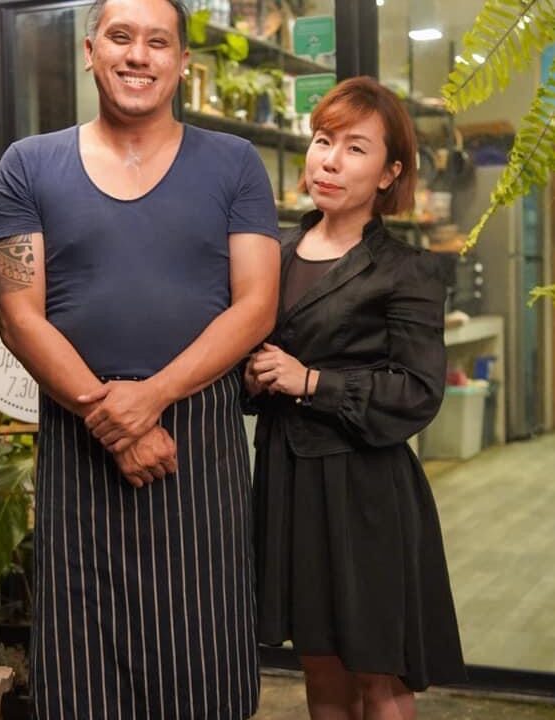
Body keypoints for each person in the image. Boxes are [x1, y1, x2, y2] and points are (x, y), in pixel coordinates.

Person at [0, 0, 281, 717]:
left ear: (182, 62)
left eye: (158, 42)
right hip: (79, 434)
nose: (138, 55)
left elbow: (255, 307)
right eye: (120, 37)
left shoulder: (234, 163)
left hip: (198, 440)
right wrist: (111, 418)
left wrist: (150, 399)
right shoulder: (29, 164)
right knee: (83, 667)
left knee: (205, 659)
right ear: (90, 51)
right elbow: (19, 317)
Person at [245, 76, 466, 720]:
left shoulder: (407, 269)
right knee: (319, 668)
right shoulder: (273, 255)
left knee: (378, 673)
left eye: (356, 148)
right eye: (323, 140)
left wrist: (312, 381)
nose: (331, 161)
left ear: (390, 172)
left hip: (366, 489)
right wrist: (252, 378)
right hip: (289, 482)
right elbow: (247, 361)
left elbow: (418, 392)